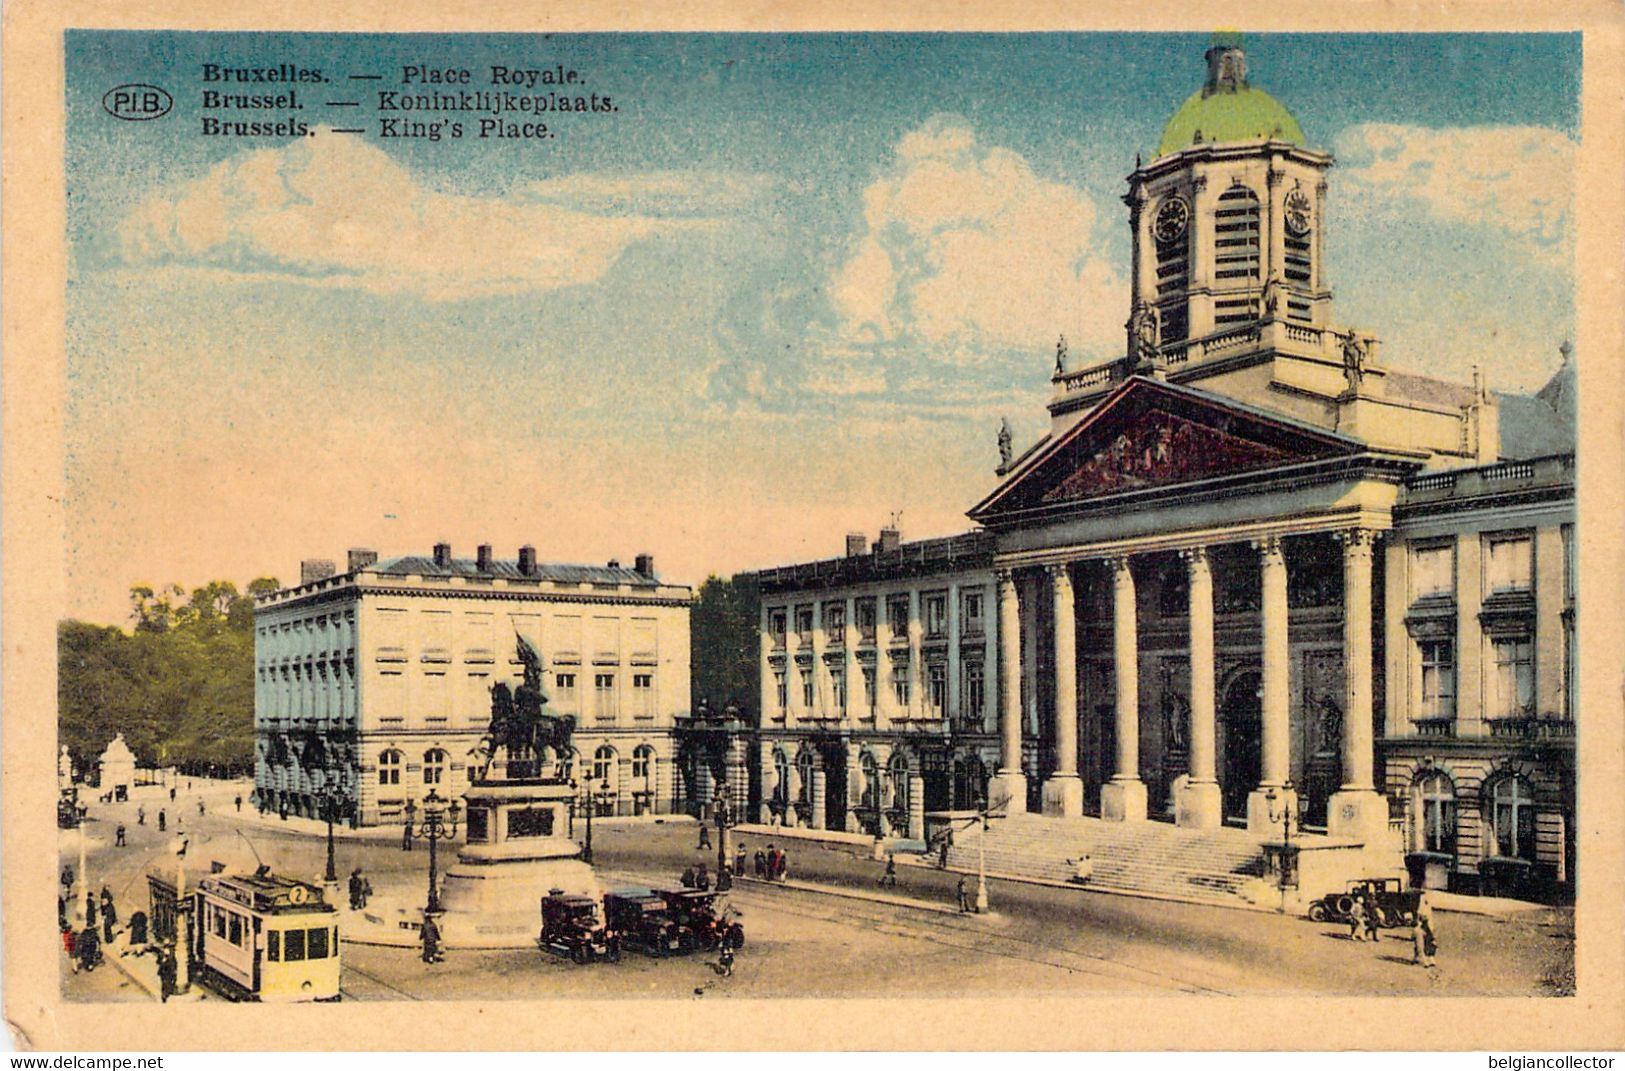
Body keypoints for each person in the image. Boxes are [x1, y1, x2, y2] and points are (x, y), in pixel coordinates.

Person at [1412, 892, 1437, 969]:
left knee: (1431, 941)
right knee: (1419, 941)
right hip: (1421, 927)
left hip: (1428, 926)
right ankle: (1421, 957)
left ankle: (1430, 957)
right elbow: (1419, 914)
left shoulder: (1428, 907)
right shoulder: (1421, 904)